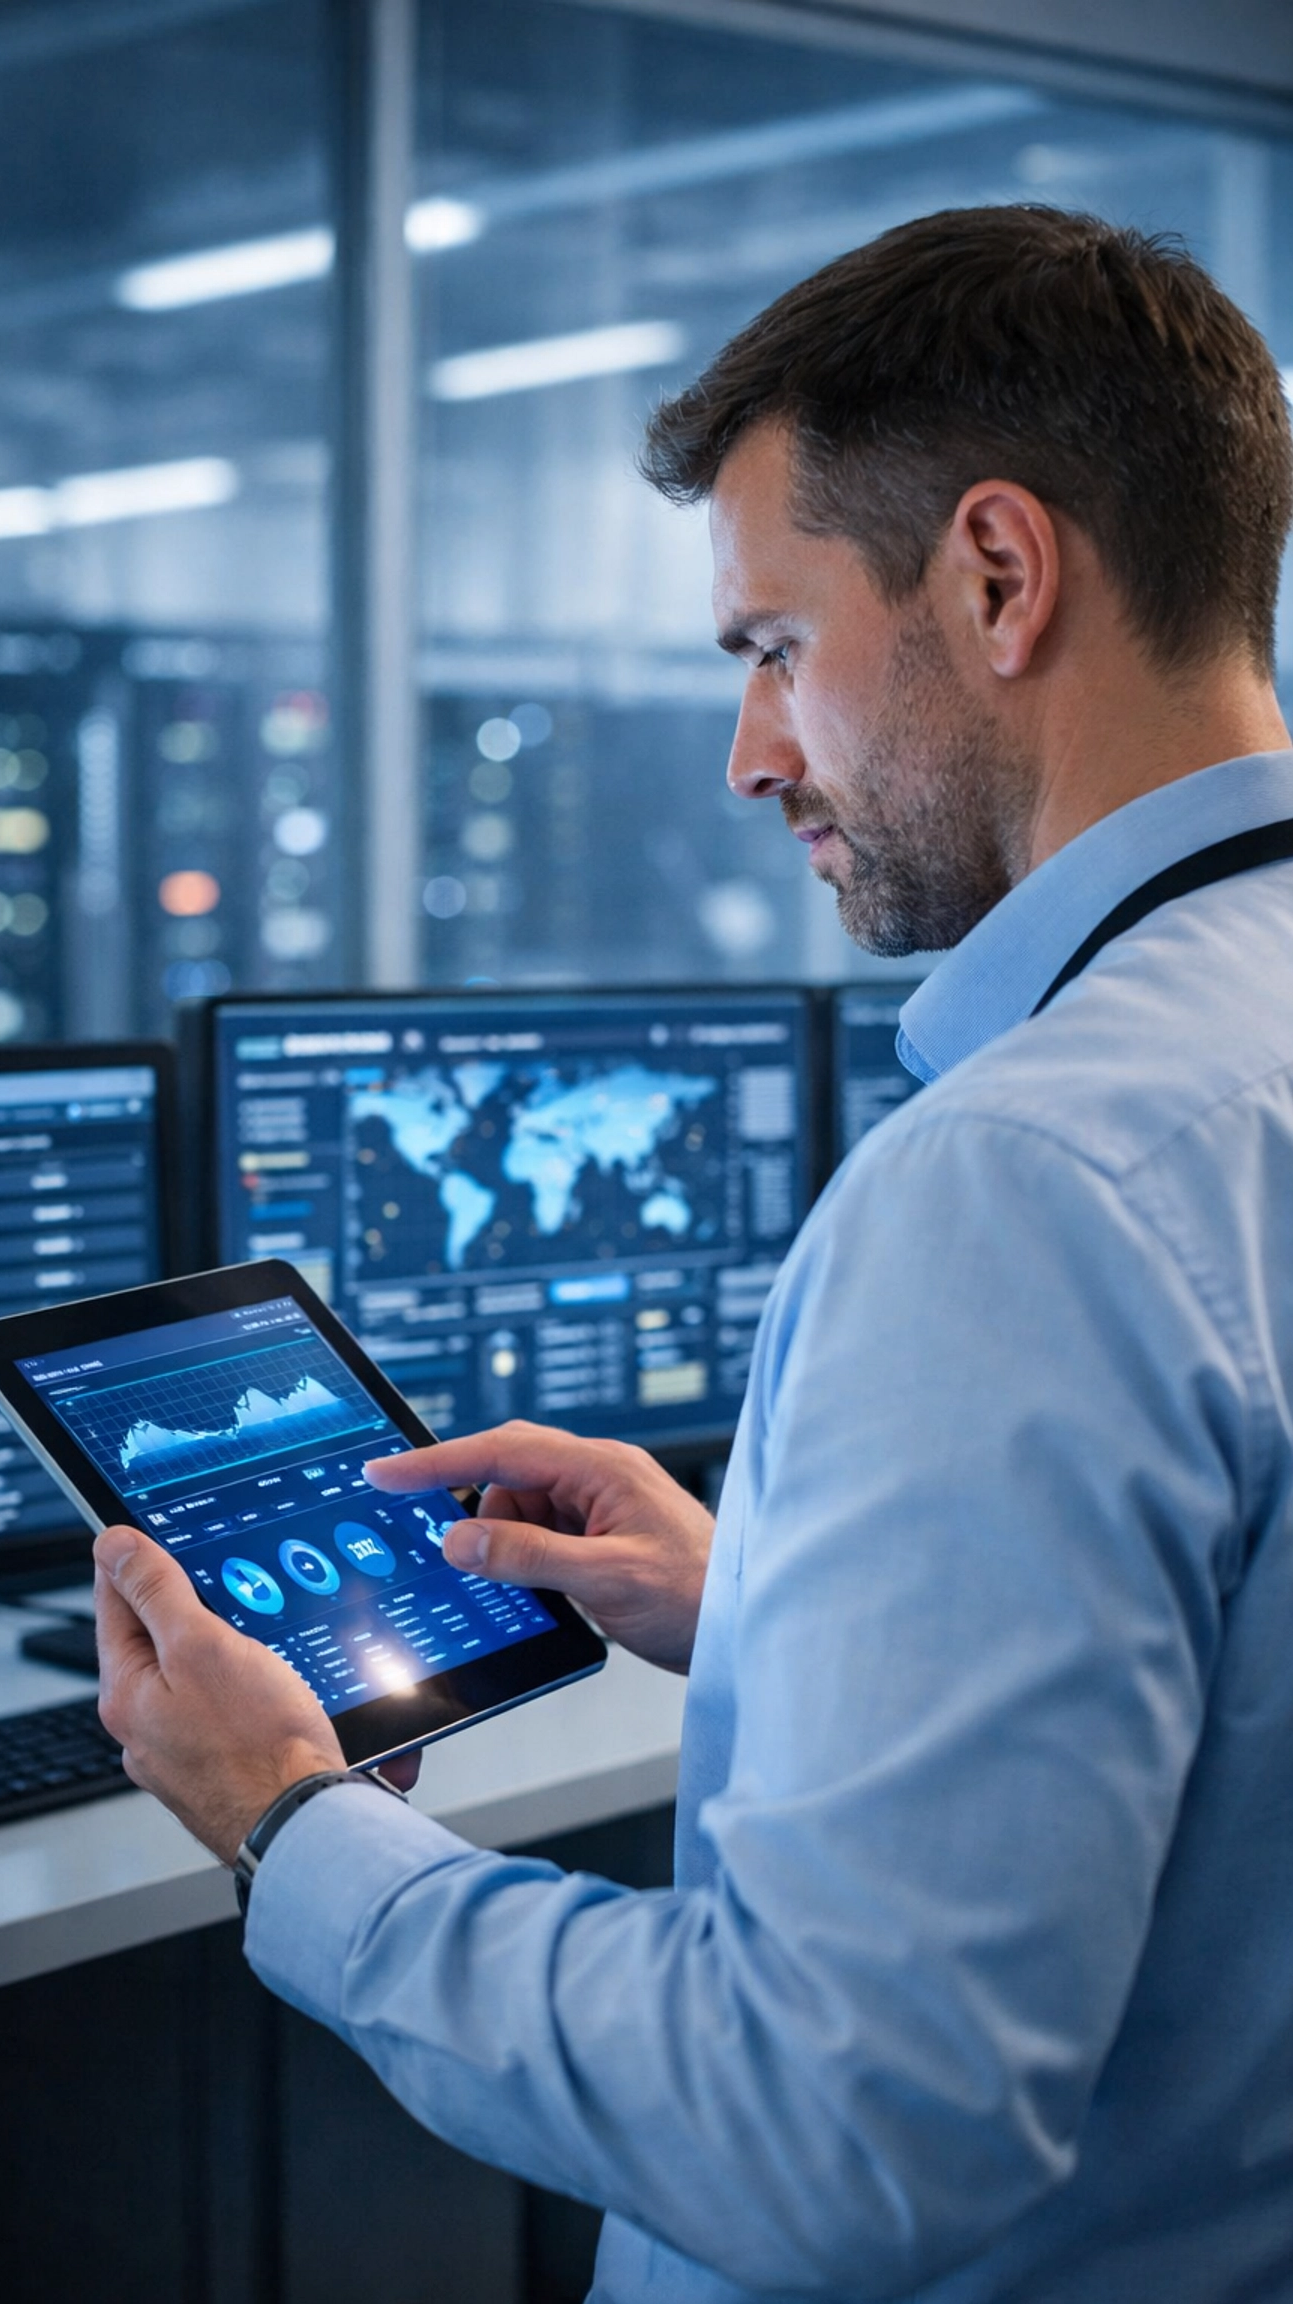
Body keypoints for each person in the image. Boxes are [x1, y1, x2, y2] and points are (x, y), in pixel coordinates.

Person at [92, 205, 1293, 2301]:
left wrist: (297, 1824)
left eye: (770, 649)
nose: (754, 756)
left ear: (999, 577)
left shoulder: (1026, 1180)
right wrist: (784, 1619)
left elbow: (838, 2130)